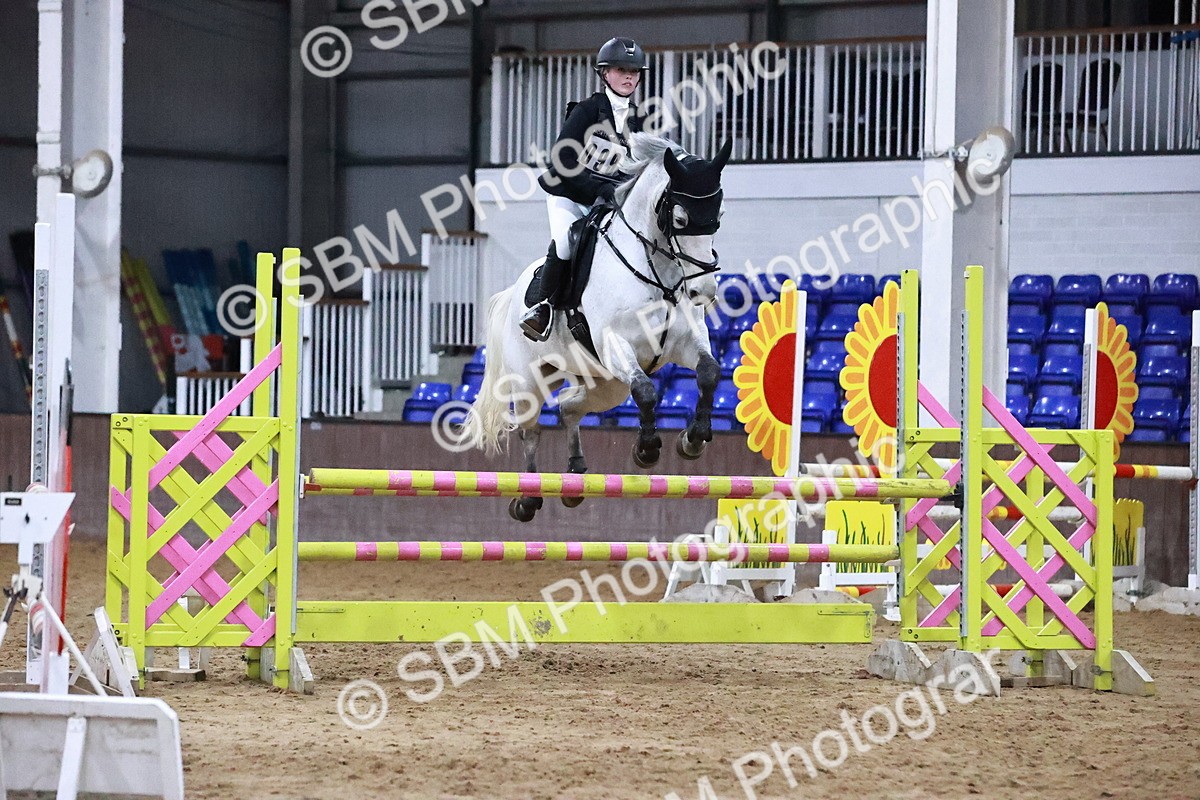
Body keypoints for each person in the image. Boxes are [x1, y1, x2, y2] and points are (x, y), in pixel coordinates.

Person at [520, 36, 648, 341]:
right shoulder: (587, 110)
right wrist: (597, 188)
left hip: (605, 199)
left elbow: (636, 165)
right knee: (566, 243)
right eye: (621, 69)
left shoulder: (638, 119)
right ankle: (542, 308)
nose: (629, 76)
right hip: (567, 194)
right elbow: (561, 158)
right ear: (605, 73)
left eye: (634, 70)